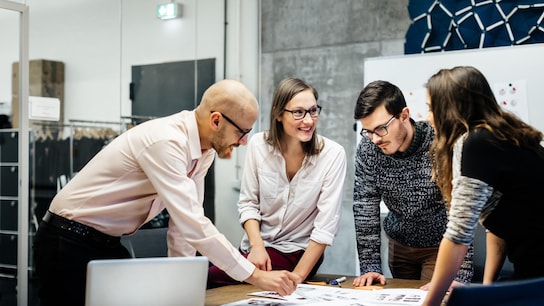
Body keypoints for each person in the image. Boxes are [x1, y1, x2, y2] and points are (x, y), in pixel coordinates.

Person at [33, 79, 298, 306]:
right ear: (216, 120)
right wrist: (254, 275)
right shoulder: (167, 141)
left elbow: (183, 226)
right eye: (243, 132)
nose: (244, 142)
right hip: (66, 239)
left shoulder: (203, 153)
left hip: (105, 242)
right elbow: (193, 223)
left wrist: (179, 287)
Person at [208, 77, 347, 288]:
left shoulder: (333, 155)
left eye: (313, 110)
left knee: (208, 278)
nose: (308, 120)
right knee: (205, 270)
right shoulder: (258, 145)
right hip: (255, 248)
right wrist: (256, 247)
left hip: (297, 253)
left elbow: (325, 227)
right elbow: (248, 204)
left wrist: (298, 278)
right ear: (279, 114)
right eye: (299, 112)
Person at [422, 66, 544, 306]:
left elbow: (457, 237)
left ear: (451, 109)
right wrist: (488, 290)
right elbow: (499, 226)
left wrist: (430, 303)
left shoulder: (478, 143)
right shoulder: (501, 137)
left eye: (430, 108)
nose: (427, 117)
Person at [352, 80, 473, 289]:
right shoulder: (369, 149)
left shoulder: (438, 143)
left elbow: (459, 209)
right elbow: (365, 206)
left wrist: (460, 275)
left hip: (440, 246)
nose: (374, 139)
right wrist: (370, 266)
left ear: (404, 116)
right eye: (368, 131)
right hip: (399, 246)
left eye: (380, 129)